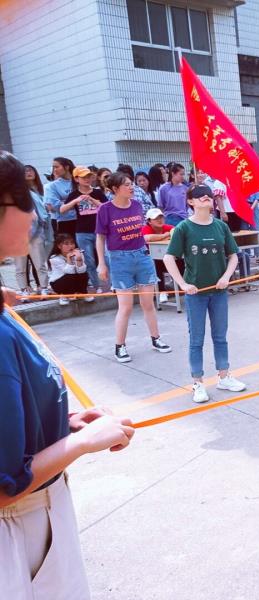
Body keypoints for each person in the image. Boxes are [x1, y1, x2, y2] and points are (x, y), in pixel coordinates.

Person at [0, 150, 135, 599]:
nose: (34, 213)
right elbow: (4, 484)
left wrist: (67, 425)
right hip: (19, 530)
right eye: (24, 199)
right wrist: (80, 443)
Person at [163, 184, 247, 403]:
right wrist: (182, 284)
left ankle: (224, 376)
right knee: (196, 339)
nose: (206, 198)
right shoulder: (183, 228)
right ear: (190, 201)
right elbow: (168, 258)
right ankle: (198, 382)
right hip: (196, 293)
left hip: (219, 291)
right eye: (200, 195)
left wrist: (226, 276)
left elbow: (233, 255)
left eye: (208, 194)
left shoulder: (220, 226)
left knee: (220, 336)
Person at [96, 172, 172, 363]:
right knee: (126, 307)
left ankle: (156, 338)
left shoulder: (137, 205)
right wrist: (101, 263)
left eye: (132, 184)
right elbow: (100, 238)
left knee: (148, 303)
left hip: (142, 255)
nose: (131, 188)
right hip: (119, 259)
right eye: (127, 185)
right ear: (115, 189)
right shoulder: (105, 209)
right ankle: (120, 346)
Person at [62, 166, 107, 293]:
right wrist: (76, 201)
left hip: (100, 231)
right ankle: (97, 286)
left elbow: (107, 207)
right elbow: (62, 210)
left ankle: (113, 284)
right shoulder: (74, 194)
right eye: (83, 177)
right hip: (82, 232)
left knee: (106, 258)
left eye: (88, 176)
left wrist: (92, 200)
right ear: (76, 179)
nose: (87, 179)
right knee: (89, 260)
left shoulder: (97, 192)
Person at [14, 165, 52, 298]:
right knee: (20, 265)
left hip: (37, 231)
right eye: (25, 171)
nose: (28, 173)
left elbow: (44, 213)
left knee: (40, 263)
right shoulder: (17, 191)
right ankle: (24, 289)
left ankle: (44, 287)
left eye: (30, 170)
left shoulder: (41, 190)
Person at [141, 207, 181, 304]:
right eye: (156, 218)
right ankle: (162, 292)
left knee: (181, 260)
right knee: (156, 264)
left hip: (167, 256)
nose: (160, 220)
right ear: (149, 221)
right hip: (148, 258)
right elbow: (147, 238)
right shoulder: (146, 228)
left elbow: (176, 232)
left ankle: (182, 283)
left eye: (161, 217)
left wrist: (163, 236)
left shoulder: (167, 227)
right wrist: (165, 235)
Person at [47, 233, 94, 306]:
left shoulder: (78, 253)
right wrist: (69, 259)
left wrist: (79, 259)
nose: (71, 246)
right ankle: (64, 295)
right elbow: (69, 272)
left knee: (84, 274)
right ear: (59, 246)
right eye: (66, 244)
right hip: (58, 282)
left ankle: (82, 293)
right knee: (70, 276)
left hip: (73, 279)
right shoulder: (54, 259)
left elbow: (82, 271)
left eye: (72, 243)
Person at [44, 157, 76, 236]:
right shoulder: (52, 186)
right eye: (53, 167)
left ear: (67, 167)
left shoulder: (78, 181)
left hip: (83, 220)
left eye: (57, 167)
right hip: (65, 222)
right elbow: (56, 206)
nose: (54, 170)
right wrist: (76, 202)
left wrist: (64, 202)